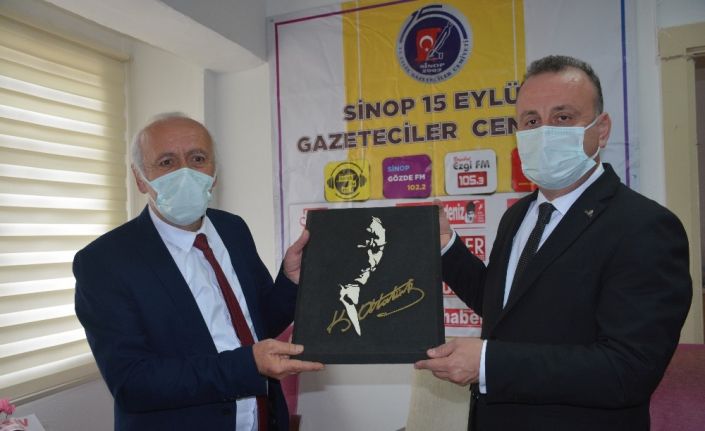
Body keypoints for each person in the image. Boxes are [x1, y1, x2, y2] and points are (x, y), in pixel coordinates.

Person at [415, 55, 692, 430]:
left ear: (602, 129)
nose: (544, 132)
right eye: (531, 121)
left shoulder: (645, 227)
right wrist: (446, 244)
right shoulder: (519, 215)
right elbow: (504, 308)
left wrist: (487, 363)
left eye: (562, 117)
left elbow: (628, 369)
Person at [74, 113, 324, 431]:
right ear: (140, 178)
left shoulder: (232, 229)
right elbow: (133, 383)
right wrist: (246, 366)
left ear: (214, 172)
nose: (186, 172)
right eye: (167, 162)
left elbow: (256, 324)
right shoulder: (104, 262)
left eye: (197, 158)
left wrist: (290, 281)